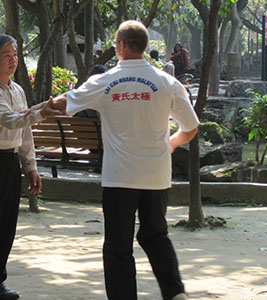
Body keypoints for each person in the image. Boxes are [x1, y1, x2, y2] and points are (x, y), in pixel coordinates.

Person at [51, 20, 199, 300]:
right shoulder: (167, 81)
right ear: (144, 47)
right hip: (156, 176)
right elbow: (190, 128)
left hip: (120, 177)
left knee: (118, 246)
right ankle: (176, 292)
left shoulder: (105, 80)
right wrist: (172, 142)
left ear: (120, 46)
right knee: (155, 234)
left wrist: (39, 108)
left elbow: (64, 102)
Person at [0, 33, 61, 300]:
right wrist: (41, 111)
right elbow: (11, 120)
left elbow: (24, 130)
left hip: (8, 161)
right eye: (7, 55)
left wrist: (30, 166)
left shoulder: (16, 90)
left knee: (6, 224)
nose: (13, 60)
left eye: (15, 54)